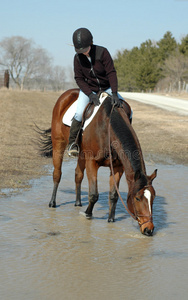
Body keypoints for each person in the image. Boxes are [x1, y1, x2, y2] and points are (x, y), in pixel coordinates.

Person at [68, 27, 125, 157]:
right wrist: (90, 94)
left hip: (107, 88)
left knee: (127, 110)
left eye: (85, 49)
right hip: (89, 89)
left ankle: (125, 142)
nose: (83, 53)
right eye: (79, 50)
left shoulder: (103, 52)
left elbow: (111, 72)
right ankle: (73, 143)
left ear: (91, 43)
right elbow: (79, 78)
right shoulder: (77, 58)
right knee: (78, 113)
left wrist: (115, 93)